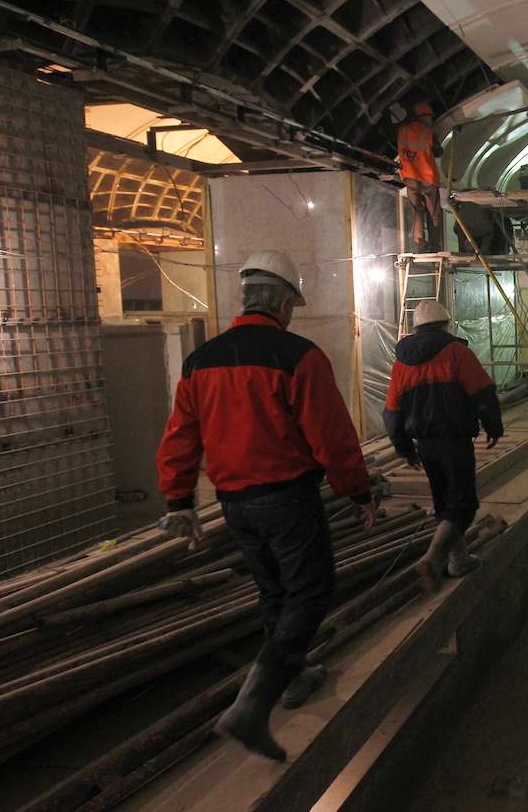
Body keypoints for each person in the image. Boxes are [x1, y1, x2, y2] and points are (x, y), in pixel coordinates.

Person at [156, 250, 376, 761]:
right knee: (311, 592)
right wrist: (358, 490)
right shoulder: (297, 355)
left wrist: (179, 499)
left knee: (275, 592)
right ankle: (252, 705)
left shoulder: (200, 360)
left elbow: (180, 437)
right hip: (287, 497)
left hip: (233, 502)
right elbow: (331, 435)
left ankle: (293, 677)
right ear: (281, 301)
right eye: (293, 304)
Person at [384, 300, 504, 590]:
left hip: (425, 446)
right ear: (445, 324)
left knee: (444, 503)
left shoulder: (402, 363)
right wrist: (493, 427)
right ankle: (433, 558)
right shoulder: (456, 352)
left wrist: (404, 449)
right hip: (455, 441)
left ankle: (459, 559)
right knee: (463, 504)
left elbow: (391, 412)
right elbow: (483, 394)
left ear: (416, 328)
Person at [398, 101, 444, 252]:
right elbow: (438, 152)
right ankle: (435, 246)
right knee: (434, 214)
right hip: (428, 178)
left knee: (418, 213)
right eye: (430, 117)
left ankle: (421, 243)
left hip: (410, 177)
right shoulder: (428, 133)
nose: (431, 121)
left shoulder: (403, 130)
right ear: (424, 116)